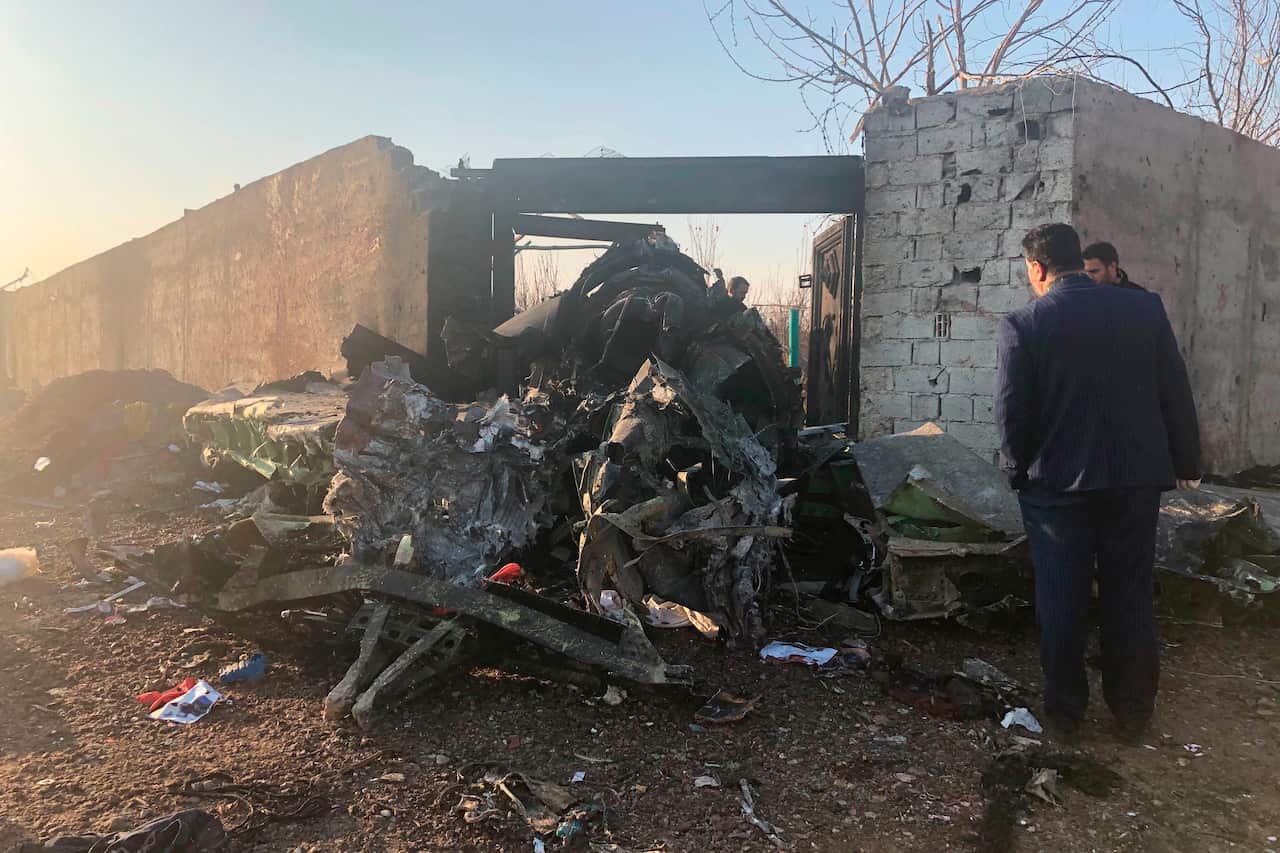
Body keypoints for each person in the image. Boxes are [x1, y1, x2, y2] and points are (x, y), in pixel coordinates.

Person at [995, 223, 1201, 745]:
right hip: (1135, 481)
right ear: (1077, 259)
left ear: (1038, 268)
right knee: (1129, 595)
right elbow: (1174, 389)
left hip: (1056, 488)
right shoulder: (1143, 309)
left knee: (1062, 597)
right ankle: (1133, 713)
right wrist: (1186, 460)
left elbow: (1012, 413)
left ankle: (1065, 714)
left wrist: (1016, 471)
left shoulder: (1026, 322)